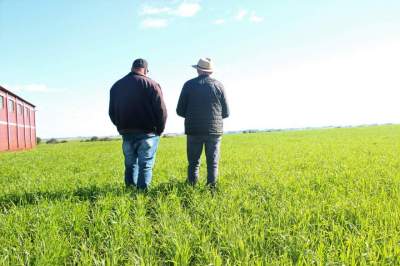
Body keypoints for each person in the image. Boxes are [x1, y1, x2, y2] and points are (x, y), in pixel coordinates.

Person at [109, 58, 167, 189]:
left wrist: (121, 126)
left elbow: (111, 112)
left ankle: (130, 191)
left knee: (130, 164)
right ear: (146, 70)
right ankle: (142, 195)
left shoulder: (116, 86)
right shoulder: (152, 84)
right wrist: (160, 129)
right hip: (148, 133)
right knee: (145, 164)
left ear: (132, 68)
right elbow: (161, 111)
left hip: (126, 133)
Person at [176, 58, 229, 187]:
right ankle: (212, 190)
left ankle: (191, 188)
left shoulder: (188, 85)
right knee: (213, 163)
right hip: (214, 131)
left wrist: (191, 117)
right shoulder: (219, 85)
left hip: (194, 131)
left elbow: (179, 110)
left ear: (198, 70)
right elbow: (226, 112)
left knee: (193, 163)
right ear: (210, 71)